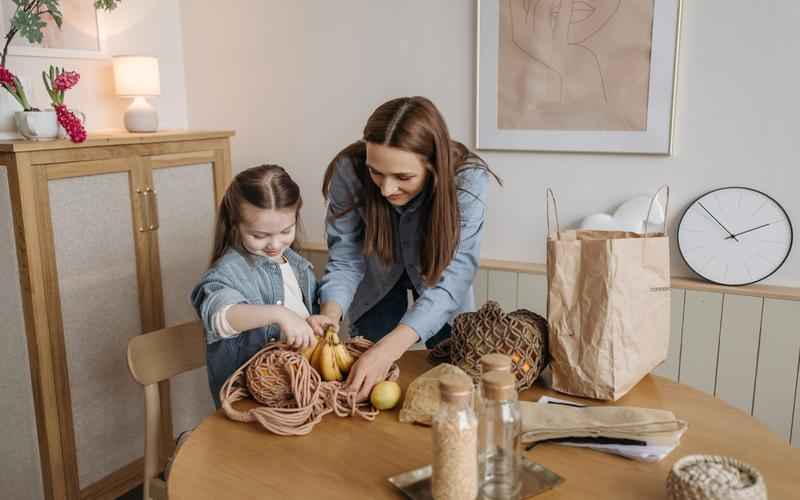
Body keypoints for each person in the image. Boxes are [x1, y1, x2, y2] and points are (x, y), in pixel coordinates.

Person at [307, 96, 500, 402]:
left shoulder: (468, 180)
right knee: (367, 383)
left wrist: (389, 349)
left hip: (441, 291)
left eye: (403, 177)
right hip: (375, 287)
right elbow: (346, 258)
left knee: (452, 394)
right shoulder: (349, 170)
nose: (386, 189)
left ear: (434, 165)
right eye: (376, 173)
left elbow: (453, 279)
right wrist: (331, 313)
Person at [191, 164, 317, 407]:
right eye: (259, 236)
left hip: (295, 393)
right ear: (235, 224)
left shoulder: (296, 265)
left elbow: (299, 318)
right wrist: (279, 315)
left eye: (286, 231)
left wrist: (312, 320)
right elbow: (221, 318)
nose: (275, 244)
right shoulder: (229, 272)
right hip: (250, 404)